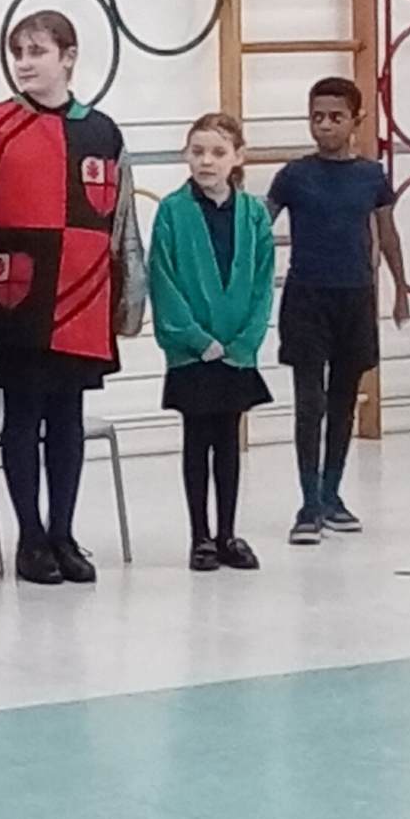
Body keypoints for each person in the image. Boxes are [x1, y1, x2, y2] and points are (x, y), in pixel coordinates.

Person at [0, 9, 145, 586]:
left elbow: (122, 223)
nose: (24, 63)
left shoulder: (104, 133)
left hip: (81, 298)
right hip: (16, 298)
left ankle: (63, 533)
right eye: (18, 53)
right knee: (23, 417)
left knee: (67, 419)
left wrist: (127, 303)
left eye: (37, 51)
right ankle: (30, 537)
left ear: (68, 57)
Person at [267, 76, 410, 545]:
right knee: (309, 402)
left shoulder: (372, 176)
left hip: (355, 298)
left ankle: (332, 494)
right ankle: (308, 503)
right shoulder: (293, 176)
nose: (325, 126)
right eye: (317, 117)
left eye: (335, 117)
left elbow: (387, 234)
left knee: (344, 400)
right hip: (306, 299)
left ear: (356, 120)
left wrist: (401, 290)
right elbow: (257, 227)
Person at [148, 113, 274, 572]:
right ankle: (199, 535)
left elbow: (262, 284)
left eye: (218, 152)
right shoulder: (172, 211)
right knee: (197, 439)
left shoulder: (254, 214)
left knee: (228, 441)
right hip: (193, 353)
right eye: (198, 151)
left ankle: (227, 533)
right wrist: (196, 339)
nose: (207, 161)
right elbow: (162, 279)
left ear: (238, 157)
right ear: (186, 155)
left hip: (236, 351)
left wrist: (245, 342)